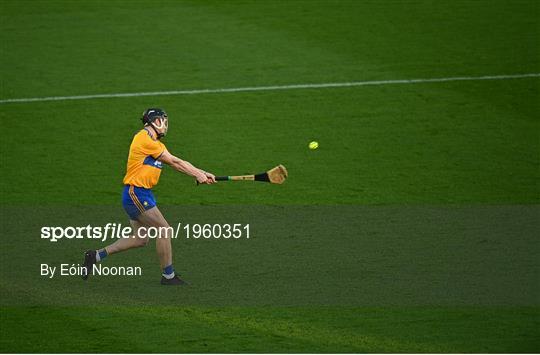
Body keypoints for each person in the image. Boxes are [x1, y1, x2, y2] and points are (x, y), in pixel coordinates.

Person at [82, 108, 216, 285]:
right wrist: (197, 175)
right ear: (155, 121)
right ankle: (168, 276)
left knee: (140, 238)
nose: (166, 126)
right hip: (135, 193)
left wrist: (201, 173)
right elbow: (175, 162)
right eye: (164, 121)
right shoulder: (144, 138)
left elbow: (177, 163)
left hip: (142, 193)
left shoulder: (156, 144)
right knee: (164, 229)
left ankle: (96, 255)